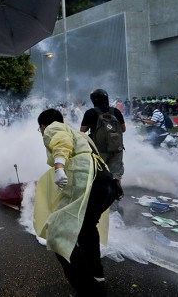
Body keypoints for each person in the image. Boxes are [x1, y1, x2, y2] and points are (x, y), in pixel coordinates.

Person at [34, 109, 118, 297]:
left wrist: (59, 167)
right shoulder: (81, 136)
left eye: (39, 129)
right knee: (87, 229)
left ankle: (88, 289)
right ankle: (97, 276)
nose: (41, 133)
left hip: (88, 185)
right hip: (107, 186)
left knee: (57, 234)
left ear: (42, 126)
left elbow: (60, 142)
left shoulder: (54, 127)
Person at [80, 89, 125, 208]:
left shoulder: (90, 113)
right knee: (115, 174)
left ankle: (100, 199)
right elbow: (123, 129)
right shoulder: (115, 111)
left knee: (98, 174)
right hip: (117, 149)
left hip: (99, 150)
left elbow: (82, 132)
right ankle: (115, 197)